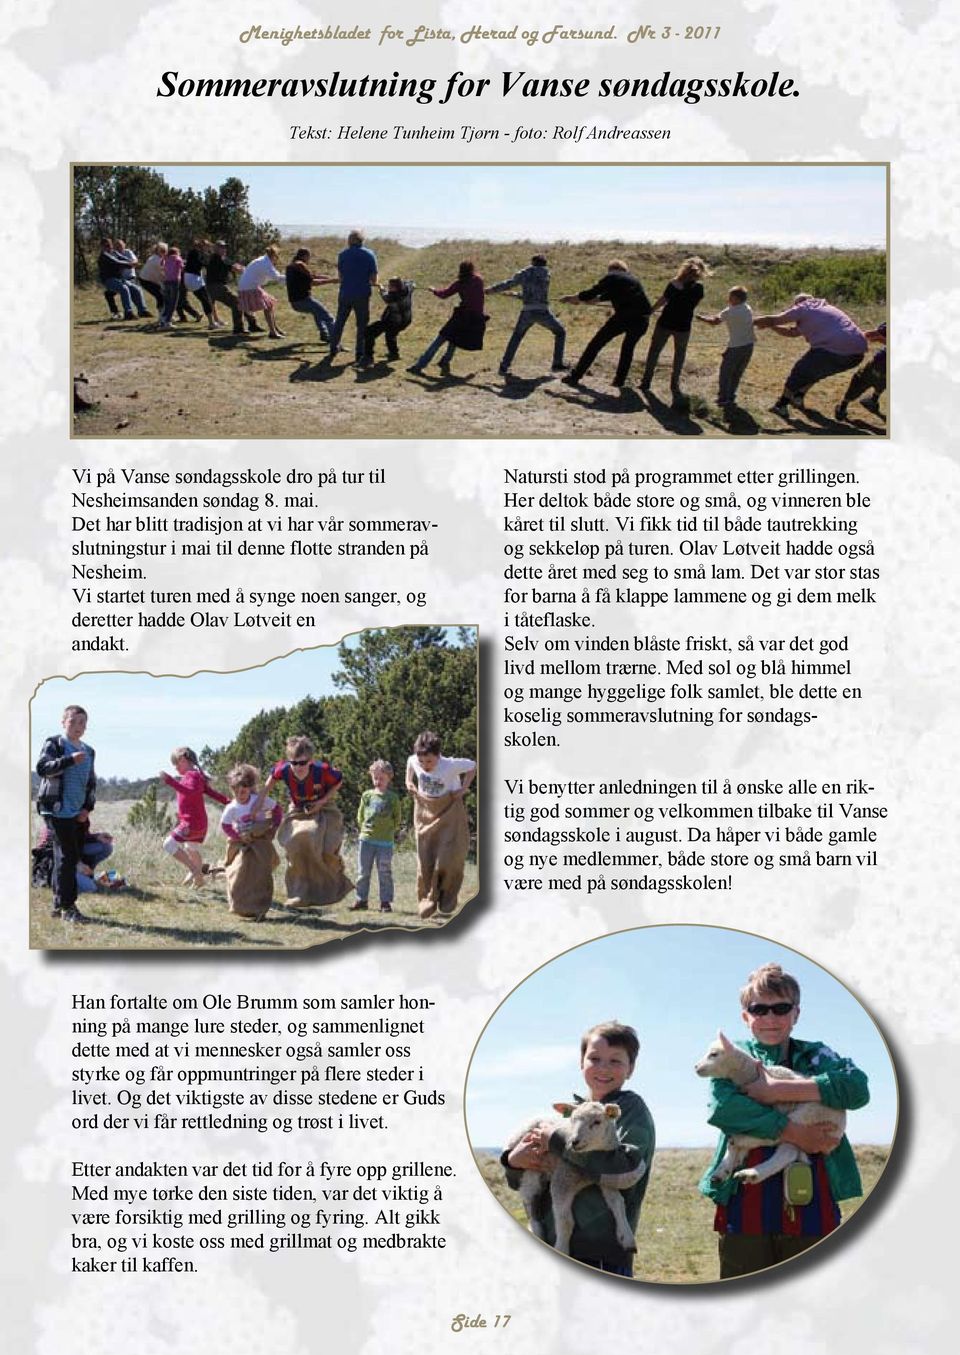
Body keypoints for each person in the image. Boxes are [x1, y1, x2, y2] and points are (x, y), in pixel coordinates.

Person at [698, 962, 870, 1280]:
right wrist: (795, 1133)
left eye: (781, 1008)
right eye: (759, 1009)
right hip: (744, 1208)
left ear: (796, 1014)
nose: (770, 1018)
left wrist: (777, 1089)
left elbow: (857, 1089)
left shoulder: (817, 1056)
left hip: (813, 1206)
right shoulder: (730, 1056)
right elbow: (724, 1109)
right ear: (745, 1016)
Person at [502, 1021, 655, 1276]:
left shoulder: (630, 1110)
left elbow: (626, 1169)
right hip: (553, 1244)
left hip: (602, 1252)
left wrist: (557, 1140)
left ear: (631, 1069)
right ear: (581, 1062)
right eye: (594, 1058)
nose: (603, 1068)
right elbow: (521, 1181)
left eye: (615, 1061)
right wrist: (513, 1162)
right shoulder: (573, 1114)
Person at [263, 736, 351, 908]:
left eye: (302, 763)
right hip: (298, 809)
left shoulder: (322, 770)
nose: (298, 767)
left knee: (327, 849)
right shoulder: (284, 769)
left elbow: (338, 781)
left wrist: (321, 802)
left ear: (310, 761)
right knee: (295, 844)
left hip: (324, 807)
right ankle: (299, 893)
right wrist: (256, 805)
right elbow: (269, 783)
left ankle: (332, 884)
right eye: (293, 763)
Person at [753, 294, 868, 417]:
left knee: (800, 371)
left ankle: (781, 405)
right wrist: (772, 326)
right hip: (857, 354)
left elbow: (774, 319)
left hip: (835, 349)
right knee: (818, 371)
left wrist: (750, 321)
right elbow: (792, 332)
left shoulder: (804, 307)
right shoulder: (825, 309)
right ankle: (798, 397)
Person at [35, 705, 97, 924]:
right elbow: (43, 768)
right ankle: (68, 907)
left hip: (76, 812)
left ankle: (57, 903)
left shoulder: (89, 751)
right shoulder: (55, 743)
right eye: (73, 721)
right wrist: (70, 760)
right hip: (55, 809)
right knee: (68, 856)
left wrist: (86, 808)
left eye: (82, 722)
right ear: (63, 723)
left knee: (65, 856)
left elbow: (91, 783)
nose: (77, 726)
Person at [405, 731, 475, 918]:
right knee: (425, 858)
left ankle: (446, 896)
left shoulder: (450, 765)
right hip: (425, 810)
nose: (425, 766)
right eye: (422, 762)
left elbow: (473, 766)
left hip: (449, 810)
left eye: (429, 761)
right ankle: (427, 899)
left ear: (438, 755)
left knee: (446, 858)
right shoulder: (415, 760)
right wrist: (408, 782)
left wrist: (464, 788)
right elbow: (410, 764)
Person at [559, 261, 653, 390]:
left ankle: (576, 376)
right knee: (628, 349)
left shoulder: (612, 277)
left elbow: (592, 292)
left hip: (624, 317)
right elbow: (611, 294)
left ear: (612, 269)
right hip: (643, 318)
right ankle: (619, 380)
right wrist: (590, 300)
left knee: (596, 344)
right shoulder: (632, 279)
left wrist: (572, 298)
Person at [485, 253, 567, 377]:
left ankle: (504, 366)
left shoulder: (525, 272)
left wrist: (491, 290)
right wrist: (515, 295)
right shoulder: (546, 274)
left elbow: (509, 283)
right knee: (560, 332)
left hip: (527, 311)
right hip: (543, 311)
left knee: (516, 336)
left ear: (533, 262)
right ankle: (557, 363)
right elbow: (534, 294)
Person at [218, 764, 283, 920]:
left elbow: (277, 809)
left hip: (260, 842)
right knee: (238, 873)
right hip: (241, 843)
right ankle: (240, 905)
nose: (240, 794)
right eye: (236, 791)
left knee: (261, 875)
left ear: (250, 788)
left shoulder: (258, 801)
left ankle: (260, 909)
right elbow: (225, 826)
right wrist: (237, 837)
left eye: (244, 791)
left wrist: (274, 827)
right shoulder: (231, 808)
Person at [640, 256, 708, 401]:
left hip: (666, 321)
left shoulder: (673, 284)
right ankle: (674, 383)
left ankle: (646, 381)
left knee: (654, 351)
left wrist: (650, 311)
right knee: (679, 354)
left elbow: (663, 301)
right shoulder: (699, 289)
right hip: (683, 325)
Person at [159, 747, 229, 888]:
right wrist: (229, 802)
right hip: (198, 823)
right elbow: (213, 794)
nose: (176, 768)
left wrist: (170, 781)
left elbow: (190, 792)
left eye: (176, 764)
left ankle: (196, 872)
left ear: (183, 760)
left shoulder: (192, 776)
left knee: (168, 844)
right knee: (191, 848)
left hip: (190, 823)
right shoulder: (196, 776)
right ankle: (198, 881)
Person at [408, 261, 486, 376]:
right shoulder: (479, 280)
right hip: (475, 318)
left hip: (463, 316)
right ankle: (445, 361)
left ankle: (420, 365)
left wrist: (433, 290)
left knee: (440, 340)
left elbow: (444, 294)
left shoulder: (460, 283)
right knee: (455, 338)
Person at [350, 759, 403, 913]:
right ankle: (361, 899)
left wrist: (389, 831)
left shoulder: (392, 798)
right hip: (366, 839)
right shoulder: (367, 795)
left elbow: (397, 818)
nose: (378, 781)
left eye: (381, 778)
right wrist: (364, 829)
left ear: (389, 778)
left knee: (384, 871)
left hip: (385, 842)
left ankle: (385, 902)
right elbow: (360, 815)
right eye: (375, 778)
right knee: (363, 871)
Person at [696, 285, 755, 413]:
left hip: (735, 346)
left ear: (736, 298)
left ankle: (723, 398)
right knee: (737, 373)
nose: (728, 299)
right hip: (749, 345)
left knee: (725, 373)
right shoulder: (747, 308)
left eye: (730, 297)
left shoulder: (730, 311)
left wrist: (701, 318)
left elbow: (714, 322)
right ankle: (731, 396)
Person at [330, 229, 378, 365]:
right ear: (362, 241)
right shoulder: (369, 255)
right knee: (362, 325)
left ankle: (333, 347)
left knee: (340, 321)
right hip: (362, 293)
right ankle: (360, 353)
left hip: (345, 292)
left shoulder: (342, 255)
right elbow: (373, 279)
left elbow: (340, 276)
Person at [205, 241, 262, 335]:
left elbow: (236, 265)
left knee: (241, 302)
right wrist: (250, 271)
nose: (224, 249)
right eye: (221, 247)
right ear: (216, 249)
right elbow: (236, 269)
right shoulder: (217, 258)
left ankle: (252, 325)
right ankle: (239, 329)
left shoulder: (223, 258)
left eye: (225, 247)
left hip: (217, 286)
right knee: (238, 303)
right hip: (216, 287)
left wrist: (247, 269)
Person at [835, 322, 887, 421]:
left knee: (859, 380)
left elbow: (872, 335)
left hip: (879, 364)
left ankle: (842, 408)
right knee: (883, 381)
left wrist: (854, 339)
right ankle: (873, 400)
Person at [285, 248, 336, 342]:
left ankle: (324, 334)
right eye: (309, 256)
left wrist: (327, 278)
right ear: (305, 256)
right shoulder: (300, 265)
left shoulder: (292, 266)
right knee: (329, 318)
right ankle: (336, 342)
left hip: (295, 302)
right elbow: (313, 282)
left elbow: (310, 276)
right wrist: (332, 281)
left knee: (317, 312)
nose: (309, 259)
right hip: (303, 301)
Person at [237, 246, 286, 339]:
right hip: (249, 287)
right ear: (273, 255)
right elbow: (277, 277)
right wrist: (291, 277)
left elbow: (272, 276)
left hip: (246, 286)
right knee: (268, 306)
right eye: (276, 256)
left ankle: (275, 330)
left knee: (269, 305)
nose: (277, 259)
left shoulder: (262, 260)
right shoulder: (265, 263)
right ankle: (273, 332)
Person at [364, 277, 415, 362]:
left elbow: (385, 296)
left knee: (369, 332)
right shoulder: (407, 289)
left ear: (395, 287)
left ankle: (368, 357)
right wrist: (408, 283)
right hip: (405, 320)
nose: (388, 287)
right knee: (391, 335)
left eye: (390, 286)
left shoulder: (392, 297)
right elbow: (412, 283)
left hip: (393, 321)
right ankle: (394, 354)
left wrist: (381, 287)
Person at [96, 237, 148, 320]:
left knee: (136, 289)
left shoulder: (114, 252)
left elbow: (123, 258)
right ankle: (128, 312)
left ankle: (142, 311)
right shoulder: (104, 256)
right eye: (106, 246)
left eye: (110, 245)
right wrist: (130, 264)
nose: (109, 247)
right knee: (124, 289)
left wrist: (132, 262)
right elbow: (116, 262)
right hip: (109, 280)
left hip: (119, 279)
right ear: (102, 247)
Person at [183, 239, 224, 330]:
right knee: (206, 300)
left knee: (205, 299)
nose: (208, 248)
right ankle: (211, 323)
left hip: (191, 278)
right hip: (193, 279)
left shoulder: (194, 252)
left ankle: (213, 321)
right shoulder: (196, 253)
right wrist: (209, 265)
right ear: (203, 246)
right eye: (207, 246)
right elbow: (199, 264)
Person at [112, 239, 151, 319]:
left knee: (137, 291)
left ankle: (142, 311)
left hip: (131, 277)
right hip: (122, 279)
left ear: (124, 245)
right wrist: (128, 264)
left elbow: (135, 261)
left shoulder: (128, 252)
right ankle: (136, 311)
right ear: (115, 247)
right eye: (117, 246)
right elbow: (117, 267)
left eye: (121, 245)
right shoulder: (114, 255)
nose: (119, 247)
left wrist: (129, 264)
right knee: (134, 290)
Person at [159, 245, 186, 329]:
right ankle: (168, 321)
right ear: (177, 252)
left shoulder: (166, 259)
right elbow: (182, 268)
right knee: (173, 302)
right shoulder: (178, 258)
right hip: (175, 282)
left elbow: (161, 264)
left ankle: (163, 319)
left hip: (166, 281)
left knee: (167, 302)